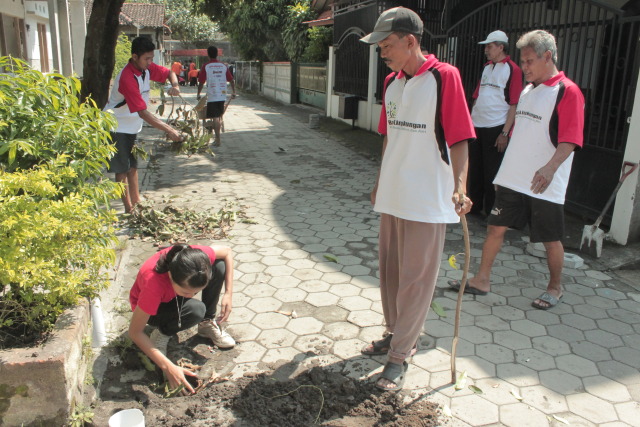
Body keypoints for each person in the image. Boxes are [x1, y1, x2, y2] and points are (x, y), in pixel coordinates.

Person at [359, 7, 475, 392]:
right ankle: (395, 334)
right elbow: (389, 138)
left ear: (411, 41)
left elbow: (458, 138)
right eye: (379, 48)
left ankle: (401, 354)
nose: (383, 53)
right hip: (393, 193)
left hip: (427, 198)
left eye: (387, 45)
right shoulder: (392, 83)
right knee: (390, 276)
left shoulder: (445, 78)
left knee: (416, 280)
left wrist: (460, 185)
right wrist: (379, 181)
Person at [449, 30, 585, 310]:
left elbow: (571, 139)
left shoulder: (567, 91)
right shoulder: (527, 90)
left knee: (549, 239)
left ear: (548, 56)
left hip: (543, 183)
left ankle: (555, 287)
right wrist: (503, 176)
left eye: (529, 61)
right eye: (523, 62)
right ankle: (482, 279)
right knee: (494, 228)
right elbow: (520, 136)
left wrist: (549, 169)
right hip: (514, 179)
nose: (524, 68)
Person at [128, 244, 236, 395]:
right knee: (196, 310)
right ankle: (161, 332)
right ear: (171, 276)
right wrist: (167, 366)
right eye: (186, 292)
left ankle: (206, 324)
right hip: (154, 309)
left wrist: (228, 294)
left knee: (218, 266)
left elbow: (227, 251)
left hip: (171, 294)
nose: (191, 296)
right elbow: (134, 332)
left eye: (195, 292)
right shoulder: (153, 284)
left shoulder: (196, 260)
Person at [104, 37, 183, 213]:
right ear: (134, 56)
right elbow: (142, 112)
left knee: (133, 165)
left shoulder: (146, 69)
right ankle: (128, 208)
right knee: (121, 170)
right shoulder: (127, 77)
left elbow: (169, 73)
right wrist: (169, 130)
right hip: (116, 126)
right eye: (146, 58)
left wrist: (175, 85)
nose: (150, 62)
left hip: (132, 126)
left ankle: (138, 201)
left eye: (151, 58)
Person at [468, 30, 523, 217]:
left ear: (501, 47)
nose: (486, 50)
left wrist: (505, 133)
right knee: (475, 170)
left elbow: (514, 104)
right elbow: (477, 96)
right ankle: (473, 207)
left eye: (490, 46)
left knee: (491, 172)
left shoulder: (513, 70)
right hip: (477, 125)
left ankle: (491, 211)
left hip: (495, 127)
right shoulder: (486, 67)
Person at [197, 46, 236, 146]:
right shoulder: (223, 66)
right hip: (222, 95)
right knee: (217, 116)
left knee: (215, 117)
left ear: (208, 54)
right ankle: (214, 137)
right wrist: (234, 92)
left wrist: (198, 93)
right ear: (217, 54)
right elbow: (231, 80)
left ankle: (218, 139)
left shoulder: (206, 66)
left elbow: (201, 82)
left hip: (212, 95)